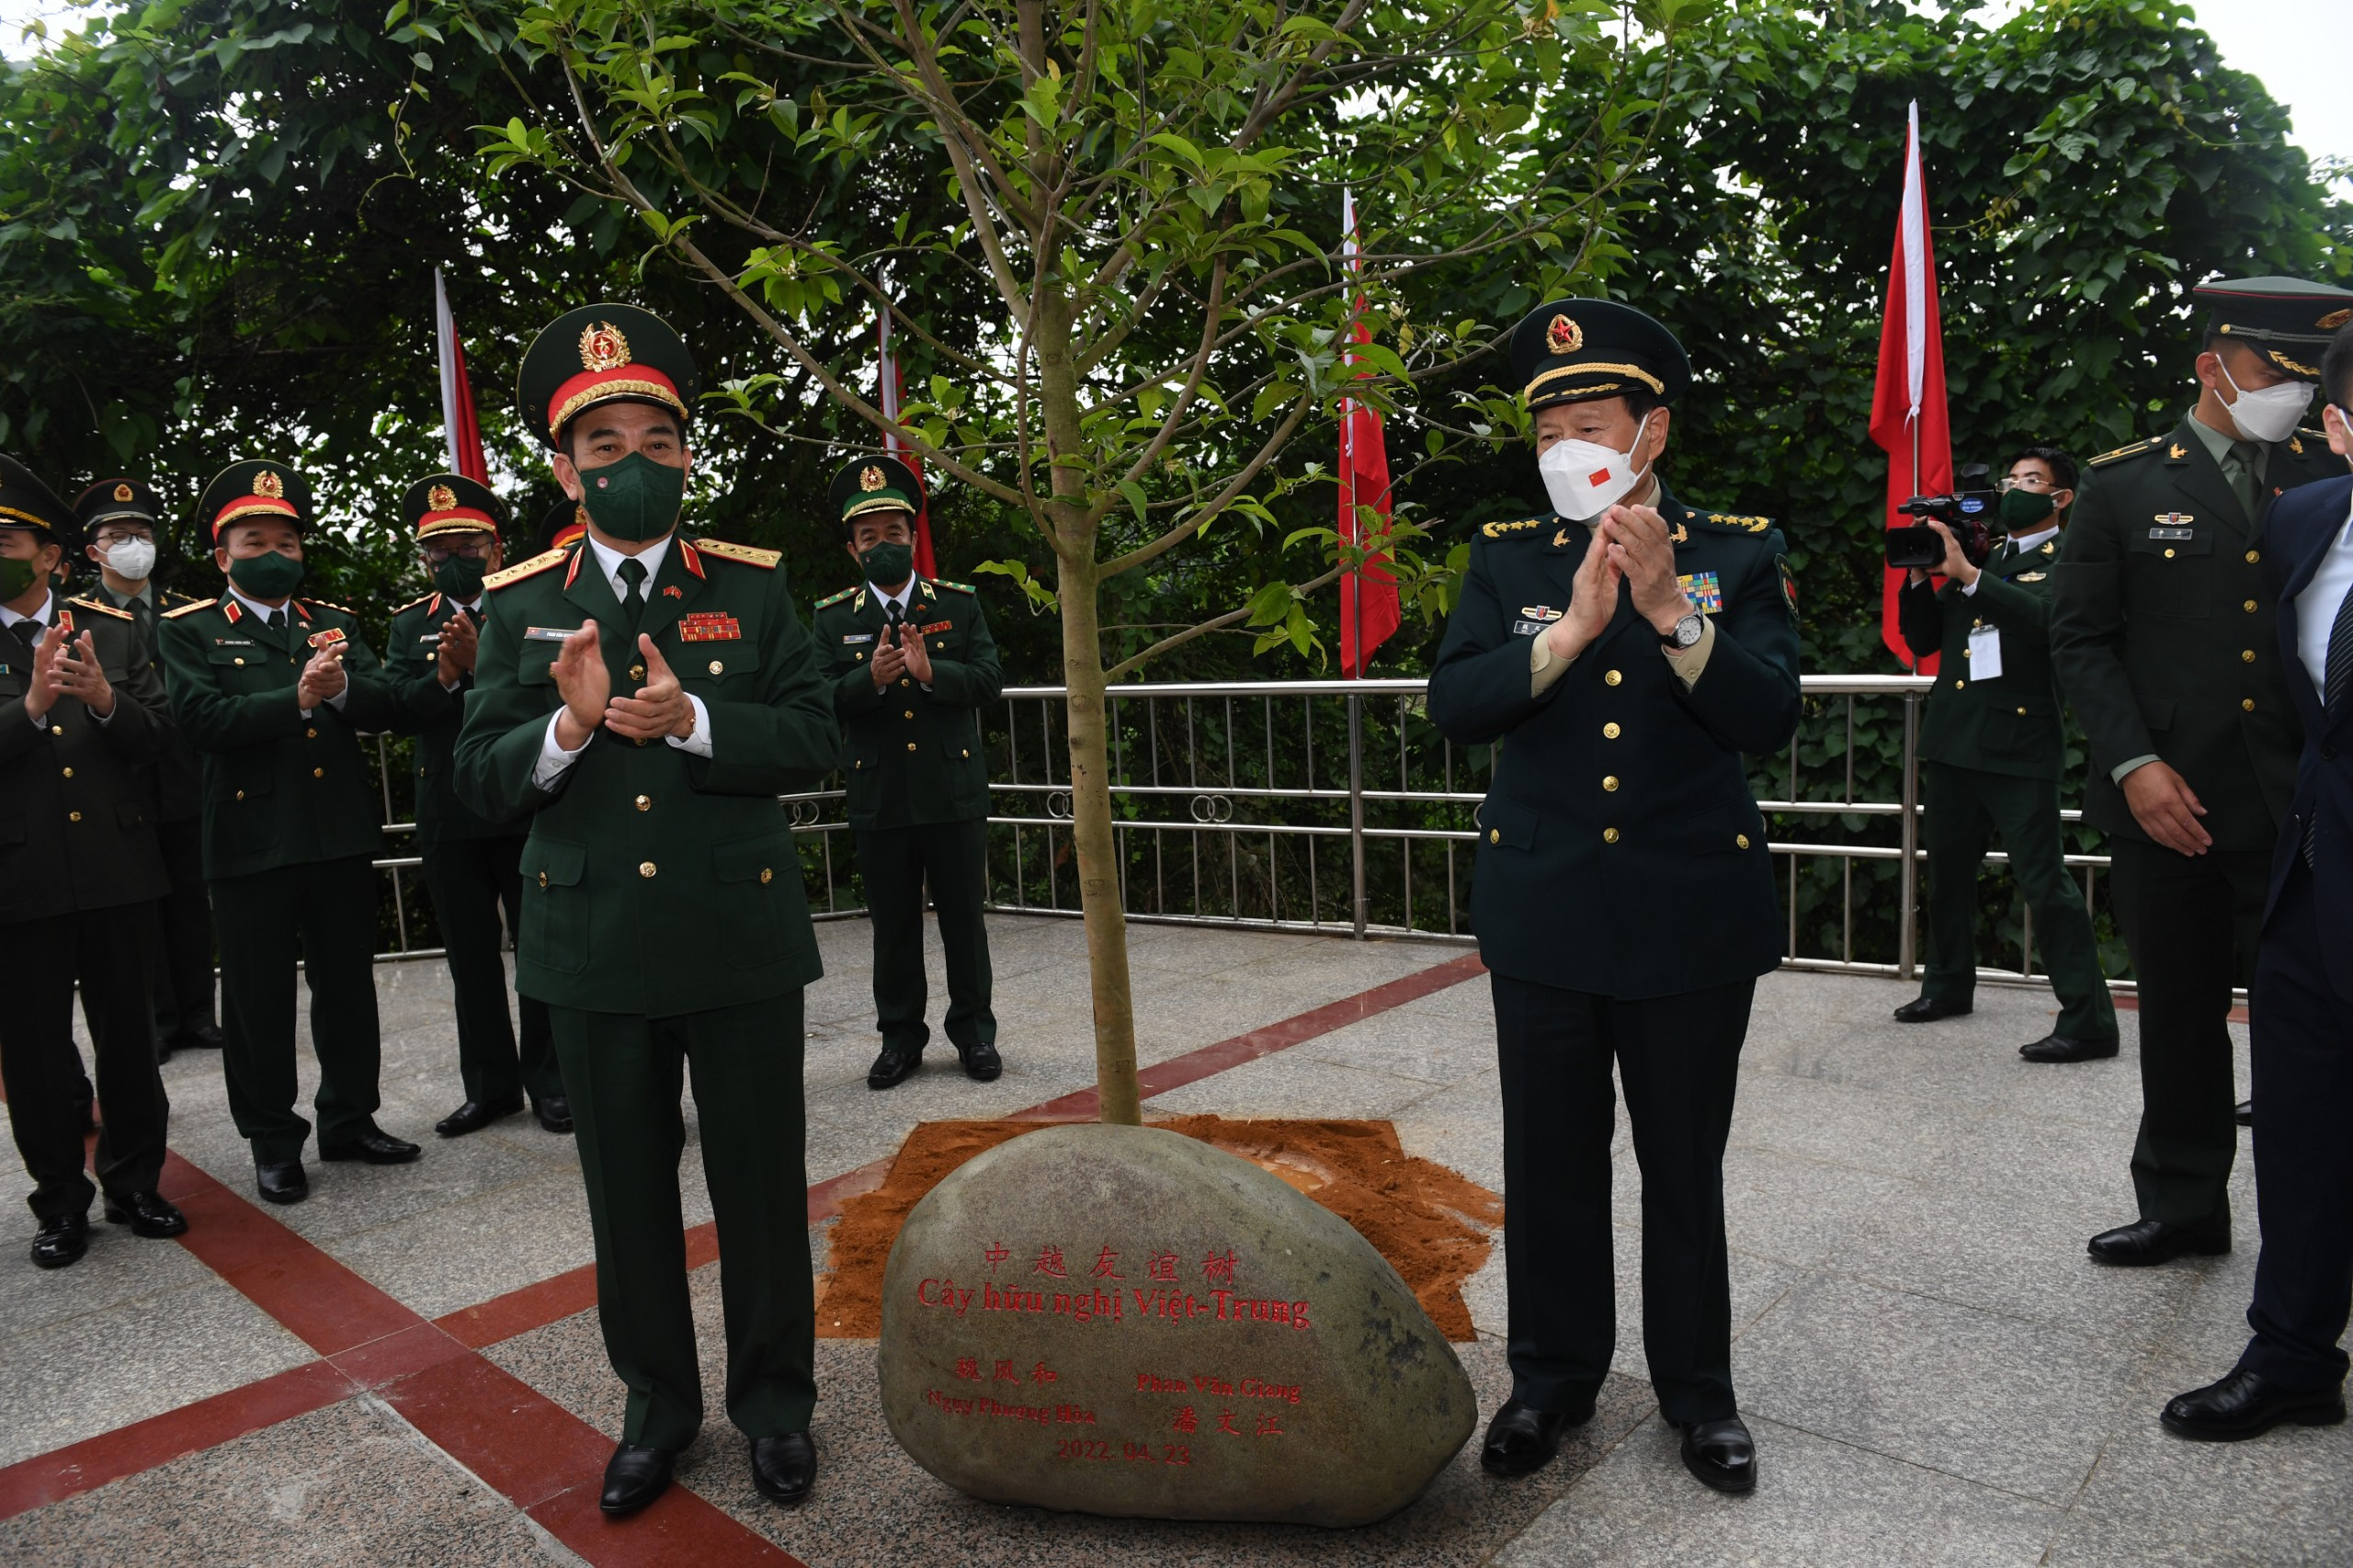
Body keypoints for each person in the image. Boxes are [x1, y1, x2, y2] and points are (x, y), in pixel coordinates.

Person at [453, 303, 837, 1516]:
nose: (635, 462)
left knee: (761, 1188)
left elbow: (817, 733)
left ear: (687, 455)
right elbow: (477, 781)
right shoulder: (516, 603)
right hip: (593, 944)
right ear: (566, 471)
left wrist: (698, 721)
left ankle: (775, 1407)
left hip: (736, 937)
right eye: (606, 444)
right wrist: (567, 727)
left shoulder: (754, 587)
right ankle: (656, 1413)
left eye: (658, 442)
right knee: (627, 1198)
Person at [1427, 300, 1801, 1494]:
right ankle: (1550, 1381)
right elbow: (1454, 702)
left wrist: (1670, 612)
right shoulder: (1507, 556)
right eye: (1546, 434)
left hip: (1689, 911)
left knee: (1683, 1165)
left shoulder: (1736, 551)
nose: (1563, 452)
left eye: (1587, 426)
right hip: (1544, 907)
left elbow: (1770, 716)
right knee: (1549, 1162)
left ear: (1652, 433)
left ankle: (1698, 1393)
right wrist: (1572, 629)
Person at [2050, 276, 2350, 1267]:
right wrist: (2134, 764)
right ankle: (2182, 1204)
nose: (2294, 396)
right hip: (2166, 799)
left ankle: (2315, 1232)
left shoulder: (2325, 472)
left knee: (2312, 1022)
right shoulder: (2124, 483)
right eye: (2274, 375)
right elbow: (2080, 639)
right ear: (2210, 368)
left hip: (2300, 801)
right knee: (2178, 1012)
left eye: (2307, 379)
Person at [2163, 317, 2353, 1440]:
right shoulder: (2302, 521)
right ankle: (2291, 1354)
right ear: (2339, 427)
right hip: (2315, 884)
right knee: (2300, 1131)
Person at [156, 459, 419, 1205]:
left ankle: (351, 1119)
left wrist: (342, 691)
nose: (273, 554)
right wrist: (297, 698)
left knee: (348, 990)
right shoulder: (191, 630)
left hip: (338, 833)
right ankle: (273, 1140)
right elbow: (201, 722)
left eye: (287, 542)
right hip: (251, 841)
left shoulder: (333, 624)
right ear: (222, 556)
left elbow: (386, 705)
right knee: (257, 1002)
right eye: (254, 541)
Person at [0, 455, 186, 1267]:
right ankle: (59, 1202)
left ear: (50, 555)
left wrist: (106, 700)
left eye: (5, 541)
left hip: (116, 863)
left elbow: (159, 736)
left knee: (130, 1040)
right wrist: (33, 706)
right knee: (35, 1051)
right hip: (20, 876)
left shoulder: (109, 629)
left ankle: (135, 1182)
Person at [1893, 448, 2119, 1061]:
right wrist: (1920, 576)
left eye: (2032, 480)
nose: (2015, 488)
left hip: (2019, 745)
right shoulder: (1985, 556)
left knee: (2045, 883)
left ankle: (2090, 1020)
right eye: (2011, 478)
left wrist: (1970, 576)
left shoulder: (2068, 556)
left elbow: (2048, 624)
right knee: (1947, 878)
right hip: (1956, 740)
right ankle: (1946, 987)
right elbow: (1923, 639)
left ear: (2061, 498)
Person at [810, 453, 1004, 1090]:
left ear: (913, 537)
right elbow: (818, 700)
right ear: (852, 549)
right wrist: (866, 680)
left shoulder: (958, 605)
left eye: (894, 533)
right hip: (881, 795)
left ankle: (974, 1035)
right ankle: (899, 1040)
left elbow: (989, 682)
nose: (883, 545)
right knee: (893, 930)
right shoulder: (833, 618)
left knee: (964, 924)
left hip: (951, 791)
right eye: (869, 537)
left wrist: (929, 673)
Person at [383, 474, 568, 1136]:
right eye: (440, 550)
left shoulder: (529, 606)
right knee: (470, 959)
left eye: (468, 546)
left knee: (540, 951)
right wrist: (444, 675)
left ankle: (551, 1082)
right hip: (448, 809)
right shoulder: (410, 623)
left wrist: (480, 663)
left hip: (522, 803)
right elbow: (394, 706)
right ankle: (490, 1088)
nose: (454, 559)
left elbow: (552, 694)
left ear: (496, 548)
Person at [74, 478, 220, 1063]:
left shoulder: (190, 612)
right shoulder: (77, 617)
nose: (134, 545)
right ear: (94, 551)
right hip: (119, 779)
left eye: (142, 534)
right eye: (119, 536)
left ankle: (199, 1013)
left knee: (191, 897)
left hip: (186, 773)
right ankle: (157, 1018)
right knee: (138, 904)